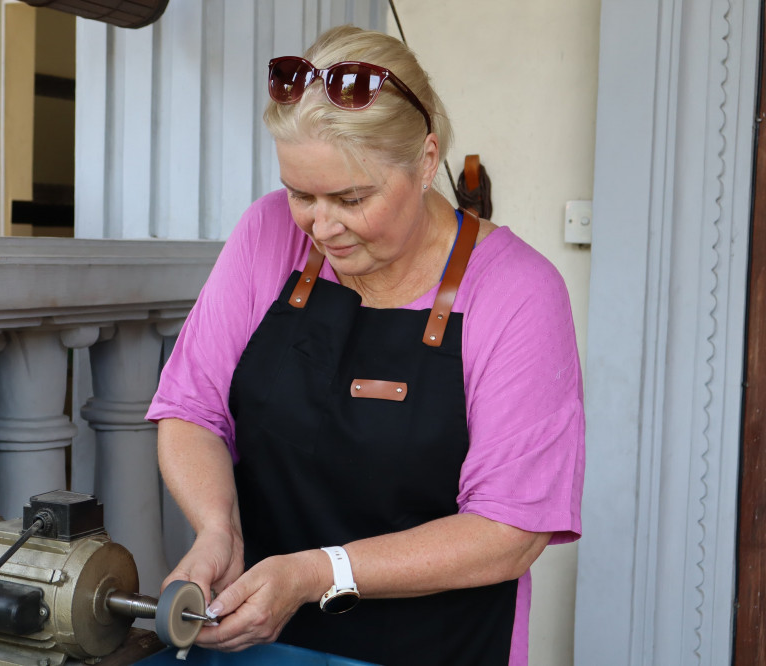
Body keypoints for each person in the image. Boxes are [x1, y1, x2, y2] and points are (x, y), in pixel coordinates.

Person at [146, 24, 584, 666]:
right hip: (256, 643)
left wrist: (313, 575)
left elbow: (508, 532)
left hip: (437, 648)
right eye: (301, 193)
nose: (321, 227)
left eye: (351, 198)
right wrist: (219, 526)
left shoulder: (518, 291)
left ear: (427, 160)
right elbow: (191, 410)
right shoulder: (267, 233)